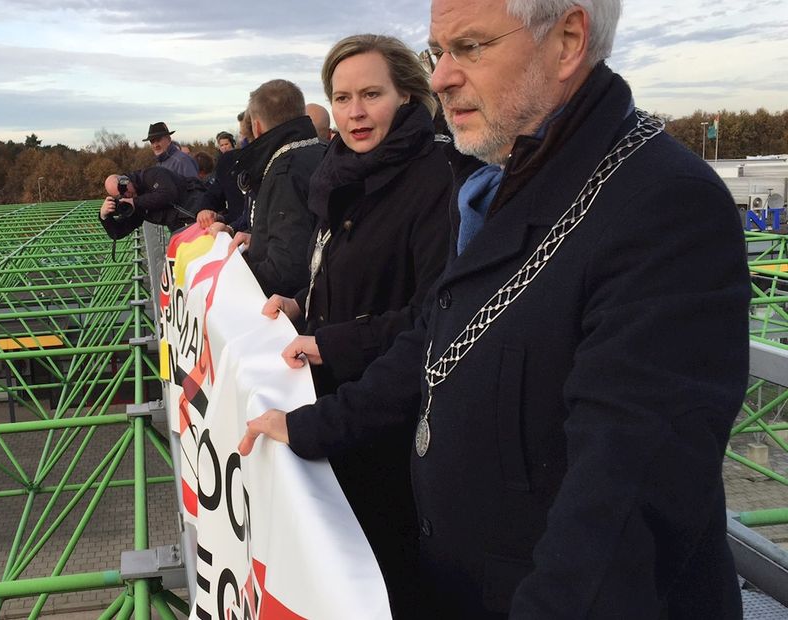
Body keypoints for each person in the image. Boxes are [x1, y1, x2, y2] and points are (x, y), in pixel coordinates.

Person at [240, 0, 749, 617]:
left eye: (470, 48)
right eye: (438, 51)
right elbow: (441, 336)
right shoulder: (504, 177)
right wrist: (316, 425)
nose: (439, 78)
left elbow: (622, 508)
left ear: (566, 40)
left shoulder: (666, 206)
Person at [260, 34, 452, 618]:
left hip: (394, 424)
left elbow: (435, 316)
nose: (355, 111)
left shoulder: (434, 176)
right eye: (342, 98)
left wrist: (330, 341)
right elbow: (342, 270)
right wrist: (298, 303)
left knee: (387, 575)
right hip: (342, 401)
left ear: (406, 96)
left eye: (372, 94)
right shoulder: (342, 173)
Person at [229, 80, 325, 297]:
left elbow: (286, 269)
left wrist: (234, 275)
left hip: (290, 315)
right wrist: (257, 241)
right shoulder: (321, 150)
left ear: (257, 126)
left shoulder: (284, 170)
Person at [97, 167, 199, 239]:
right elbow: (118, 232)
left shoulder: (152, 174)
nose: (126, 194)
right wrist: (104, 216)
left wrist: (135, 202)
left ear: (125, 180)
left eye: (123, 189)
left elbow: (169, 194)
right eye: (120, 196)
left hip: (200, 213)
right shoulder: (133, 203)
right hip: (185, 230)